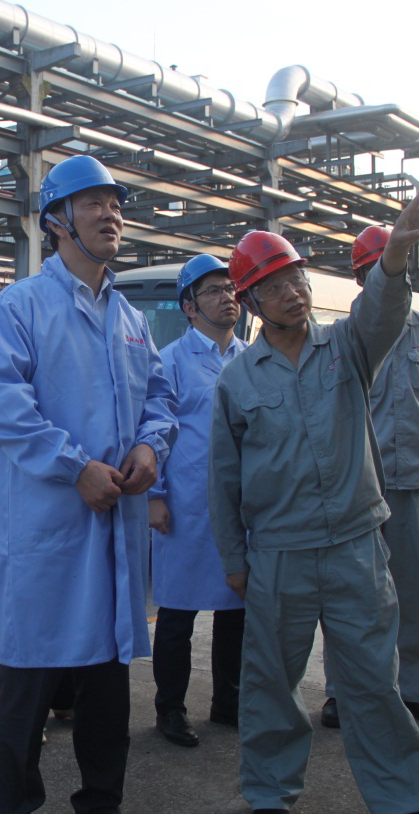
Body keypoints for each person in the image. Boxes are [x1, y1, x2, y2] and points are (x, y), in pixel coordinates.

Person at [209, 188, 419, 814]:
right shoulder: (237, 379)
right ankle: (269, 794)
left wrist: (395, 253)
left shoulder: (347, 347)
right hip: (278, 556)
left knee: (372, 685)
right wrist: (235, 559)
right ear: (252, 302)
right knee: (270, 688)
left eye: (297, 279)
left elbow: (383, 309)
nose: (292, 292)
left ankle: (400, 799)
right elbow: (224, 478)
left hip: (354, 549)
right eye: (274, 285)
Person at [0, 154, 177, 814]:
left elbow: (160, 398)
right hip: (45, 537)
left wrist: (149, 446)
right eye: (92, 204)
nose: (110, 215)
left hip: (113, 537)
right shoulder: (20, 306)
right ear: (56, 220)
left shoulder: (130, 319)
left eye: (115, 205)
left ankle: (101, 802)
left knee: (106, 699)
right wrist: (74, 466)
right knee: (26, 700)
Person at [322, 226, 419, 731]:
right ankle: (342, 693)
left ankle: (414, 692)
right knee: (352, 594)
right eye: (375, 267)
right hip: (361, 482)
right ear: (362, 277)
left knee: (414, 594)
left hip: (414, 479)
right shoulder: (346, 334)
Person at [147, 254, 247, 748]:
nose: (227, 297)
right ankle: (170, 709)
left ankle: (228, 701)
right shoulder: (170, 361)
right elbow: (154, 429)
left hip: (241, 509)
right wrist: (154, 495)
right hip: (185, 505)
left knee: (237, 612)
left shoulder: (252, 358)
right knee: (177, 615)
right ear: (189, 307)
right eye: (213, 291)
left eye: (230, 289)